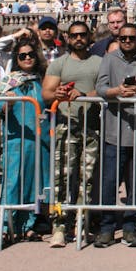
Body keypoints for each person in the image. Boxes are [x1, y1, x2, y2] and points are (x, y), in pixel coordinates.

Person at [94, 23, 136, 248]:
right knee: (110, 182)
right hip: (114, 130)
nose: (127, 41)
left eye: (131, 38)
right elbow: (101, 87)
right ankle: (107, 228)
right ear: (118, 39)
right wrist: (117, 91)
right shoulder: (109, 59)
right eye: (123, 38)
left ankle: (131, 228)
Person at [42, 21, 103, 248]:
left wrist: (85, 94)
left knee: (87, 180)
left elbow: (105, 88)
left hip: (92, 127)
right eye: (74, 35)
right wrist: (57, 93)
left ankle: (81, 224)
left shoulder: (99, 62)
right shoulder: (59, 63)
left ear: (89, 37)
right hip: (65, 126)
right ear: (68, 38)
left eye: (82, 35)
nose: (79, 38)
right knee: (62, 179)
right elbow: (46, 93)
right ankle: (59, 225)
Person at [0, 38, 50, 243]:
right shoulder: (9, 81)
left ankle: (27, 225)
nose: (27, 58)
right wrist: (6, 104)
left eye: (31, 55)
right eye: (22, 56)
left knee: (34, 184)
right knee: (13, 183)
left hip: (39, 140)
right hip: (16, 140)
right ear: (16, 59)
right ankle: (6, 226)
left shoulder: (41, 80)